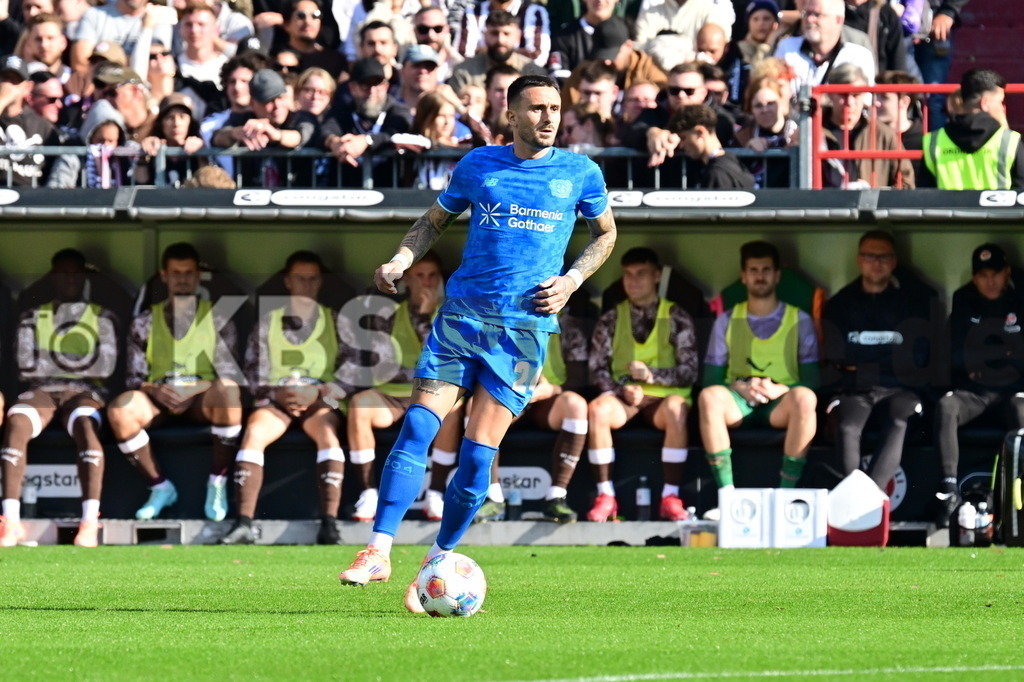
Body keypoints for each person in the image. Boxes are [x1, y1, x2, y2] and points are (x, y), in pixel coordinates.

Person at [337, 75, 616, 613]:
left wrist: (572, 280)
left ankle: (437, 559)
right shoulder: (478, 165)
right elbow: (433, 221)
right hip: (463, 317)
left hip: (523, 330)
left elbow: (604, 234)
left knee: (475, 457)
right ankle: (378, 549)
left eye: (555, 108)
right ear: (510, 115)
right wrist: (401, 259)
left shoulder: (580, 172)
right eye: (536, 109)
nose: (548, 118)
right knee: (419, 423)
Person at [219, 251, 349, 545]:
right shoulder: (268, 322)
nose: (307, 285)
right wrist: (278, 392)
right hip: (276, 402)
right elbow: (251, 373)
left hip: (318, 402)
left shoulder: (336, 321)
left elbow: (352, 372)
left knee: (329, 435)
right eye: (300, 279)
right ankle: (243, 524)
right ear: (288, 282)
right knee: (253, 432)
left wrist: (319, 391)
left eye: (313, 279)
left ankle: (329, 525)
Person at [107, 242, 243, 521]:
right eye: (176, 273)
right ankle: (159, 487)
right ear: (164, 276)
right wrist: (155, 390)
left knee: (229, 392)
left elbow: (230, 375)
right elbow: (134, 378)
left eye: (189, 273)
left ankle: (216, 483)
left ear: (197, 277)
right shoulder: (144, 322)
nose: (182, 279)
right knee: (121, 409)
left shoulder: (218, 319)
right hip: (160, 400)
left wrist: (197, 389)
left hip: (201, 399)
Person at [0, 249, 118, 548]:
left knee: (87, 425)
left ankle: (89, 522)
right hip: (43, 392)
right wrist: (77, 359)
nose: (70, 279)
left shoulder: (102, 317)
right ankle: (10, 522)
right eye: (64, 273)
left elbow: (105, 365)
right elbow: (25, 364)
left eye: (77, 273)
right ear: (53, 278)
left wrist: (53, 358)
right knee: (16, 422)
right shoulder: (32, 316)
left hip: (84, 393)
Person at [697, 241, 819, 519]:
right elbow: (709, 380)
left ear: (777, 275)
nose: (760, 276)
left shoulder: (799, 320)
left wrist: (781, 388)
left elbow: (814, 381)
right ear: (743, 276)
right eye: (753, 270)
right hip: (738, 401)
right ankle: (727, 498)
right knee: (709, 398)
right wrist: (739, 386)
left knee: (806, 398)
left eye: (766, 270)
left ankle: (786, 499)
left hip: (780, 404)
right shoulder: (727, 319)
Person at [343, 252, 464, 523]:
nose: (426, 282)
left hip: (431, 396)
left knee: (455, 406)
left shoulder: (452, 315)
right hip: (392, 395)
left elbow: (444, 361)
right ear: (407, 278)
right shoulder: (386, 316)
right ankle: (368, 494)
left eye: (432, 276)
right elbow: (383, 365)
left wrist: (426, 317)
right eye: (419, 275)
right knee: (360, 404)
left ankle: (435, 494)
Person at [585, 247, 697, 522]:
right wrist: (619, 389)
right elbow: (596, 370)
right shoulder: (611, 318)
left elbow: (690, 371)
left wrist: (651, 376)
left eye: (641, 274)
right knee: (598, 409)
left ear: (657, 276)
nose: (633, 281)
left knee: (677, 408)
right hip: (624, 398)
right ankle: (606, 496)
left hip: (663, 400)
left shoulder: (677, 316)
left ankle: (670, 496)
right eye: (628, 275)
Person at [822, 230, 937, 493]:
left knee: (900, 421)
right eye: (870, 256)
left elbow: (917, 356)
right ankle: (852, 498)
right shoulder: (841, 303)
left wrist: (860, 355)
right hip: (855, 389)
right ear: (859, 260)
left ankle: (868, 499)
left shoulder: (914, 303)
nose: (877, 262)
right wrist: (892, 353)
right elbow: (838, 354)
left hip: (902, 388)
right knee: (847, 426)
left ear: (895, 261)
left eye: (884, 257)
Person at [933, 243, 1024, 527]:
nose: (990, 281)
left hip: (1012, 391)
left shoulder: (1020, 299)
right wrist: (1004, 354)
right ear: (974, 277)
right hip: (975, 394)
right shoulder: (964, 300)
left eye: (996, 273)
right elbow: (958, 357)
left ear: (1007, 272)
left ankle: (1018, 497)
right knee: (947, 406)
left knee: (1022, 410)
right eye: (983, 275)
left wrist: (985, 358)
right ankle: (949, 493)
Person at [920, 68, 1024, 190]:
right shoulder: (1010, 141)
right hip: (997, 209)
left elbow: (924, 192)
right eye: (1000, 102)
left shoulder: (933, 141)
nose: (1002, 108)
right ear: (984, 103)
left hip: (947, 209)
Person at [820, 63, 914, 189]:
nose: (850, 102)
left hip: (871, 208)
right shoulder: (812, 132)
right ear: (830, 94)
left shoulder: (883, 134)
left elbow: (906, 184)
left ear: (864, 95)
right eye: (843, 95)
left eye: (856, 95)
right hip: (824, 207)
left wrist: (872, 194)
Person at [773, 0, 875, 92]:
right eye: (807, 13)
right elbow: (775, 90)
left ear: (838, 20)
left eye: (817, 14)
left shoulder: (858, 56)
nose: (810, 19)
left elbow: (865, 99)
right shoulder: (787, 48)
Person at [448, 11, 546, 94]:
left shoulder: (533, 72)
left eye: (506, 34)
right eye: (494, 33)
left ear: (518, 36)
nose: (500, 40)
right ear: (485, 35)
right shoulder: (464, 72)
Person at [667, 104, 756, 189]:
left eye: (683, 138)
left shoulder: (717, 173)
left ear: (700, 132)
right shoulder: (730, 161)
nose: (681, 145)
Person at [735, 79, 798, 188]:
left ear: (781, 103)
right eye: (758, 105)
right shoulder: (742, 137)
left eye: (771, 103)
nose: (765, 110)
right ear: (751, 110)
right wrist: (748, 151)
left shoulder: (798, 133)